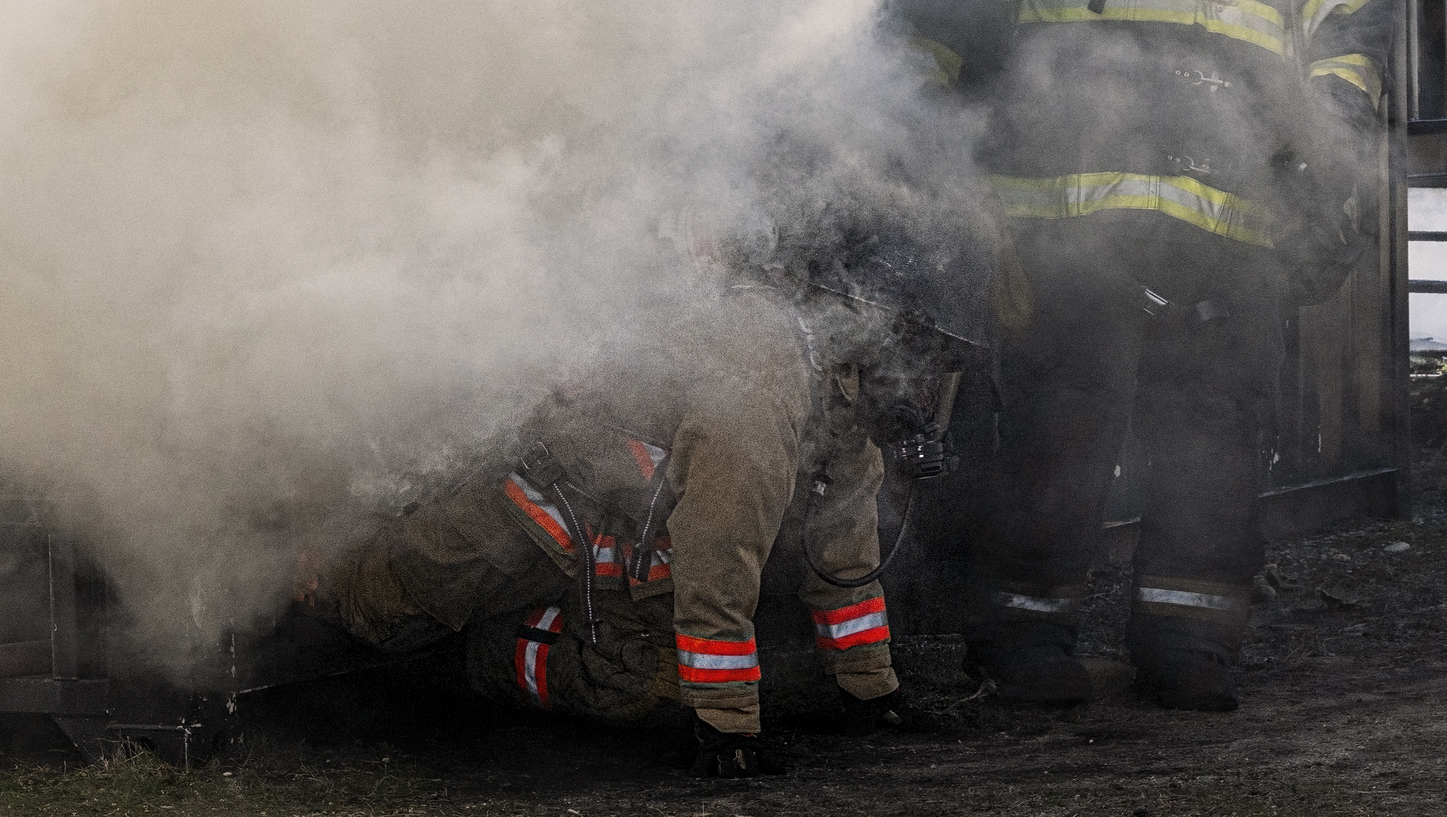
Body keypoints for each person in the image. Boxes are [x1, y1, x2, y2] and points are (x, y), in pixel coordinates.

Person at [904, 0, 1392, 711]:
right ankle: (1023, 645)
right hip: (1072, 248)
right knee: (1057, 442)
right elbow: (934, 30)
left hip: (1234, 250)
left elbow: (1352, 49)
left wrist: (1327, 177)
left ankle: (1188, 648)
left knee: (1216, 445)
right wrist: (923, 173)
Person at [294, 227, 968, 775]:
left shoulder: (846, 402)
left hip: (624, 550)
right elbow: (719, 543)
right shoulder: (761, 380)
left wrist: (873, 692)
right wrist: (728, 725)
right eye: (926, 355)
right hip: (546, 512)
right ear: (872, 331)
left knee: (654, 680)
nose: (930, 384)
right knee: (377, 604)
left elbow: (842, 550)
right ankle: (318, 581)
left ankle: (488, 643)